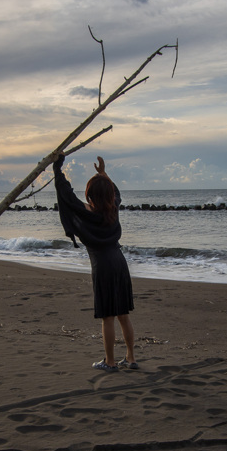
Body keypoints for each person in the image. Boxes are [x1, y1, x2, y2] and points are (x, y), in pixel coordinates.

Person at [54, 154, 137, 372]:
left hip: (103, 266)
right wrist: (103, 173)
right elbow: (115, 193)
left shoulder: (86, 213)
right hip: (119, 262)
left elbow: (67, 196)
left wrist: (57, 168)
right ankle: (130, 358)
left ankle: (110, 362)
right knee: (122, 314)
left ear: (90, 195)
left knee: (107, 316)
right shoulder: (114, 209)